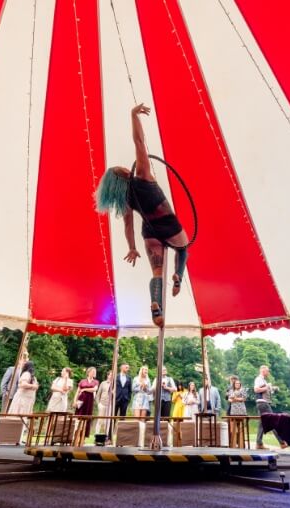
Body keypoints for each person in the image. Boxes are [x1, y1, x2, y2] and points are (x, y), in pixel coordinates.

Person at [95, 104, 189, 327]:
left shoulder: (126, 199)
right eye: (120, 168)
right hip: (169, 225)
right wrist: (133, 116)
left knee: (157, 271)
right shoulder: (143, 175)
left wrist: (132, 247)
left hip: (149, 233)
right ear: (124, 174)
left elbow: (128, 226)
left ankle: (156, 306)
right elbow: (139, 143)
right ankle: (178, 276)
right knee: (183, 248)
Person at [254, 365, 288, 450]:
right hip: (263, 403)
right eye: (267, 371)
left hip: (262, 403)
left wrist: (272, 388)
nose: (268, 372)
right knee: (273, 421)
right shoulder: (259, 379)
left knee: (262, 424)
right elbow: (256, 389)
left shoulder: (262, 380)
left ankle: (259, 443)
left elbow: (264, 389)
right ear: (263, 371)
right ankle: (282, 442)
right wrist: (267, 387)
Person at [73, 367, 99, 437]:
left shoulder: (95, 382)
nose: (94, 373)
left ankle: (83, 436)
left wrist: (84, 389)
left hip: (89, 401)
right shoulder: (82, 381)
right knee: (78, 416)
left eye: (95, 372)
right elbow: (77, 391)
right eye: (92, 371)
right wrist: (74, 401)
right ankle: (76, 434)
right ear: (88, 372)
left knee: (87, 417)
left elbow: (94, 389)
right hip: (81, 400)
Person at [228, 379, 248, 448]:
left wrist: (235, 399)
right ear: (234, 384)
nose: (237, 384)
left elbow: (244, 399)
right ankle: (234, 443)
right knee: (233, 427)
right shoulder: (231, 391)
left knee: (241, 427)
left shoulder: (242, 390)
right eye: (236, 383)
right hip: (233, 410)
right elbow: (229, 399)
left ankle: (242, 444)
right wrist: (233, 399)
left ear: (240, 384)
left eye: (239, 383)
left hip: (241, 410)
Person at [95, 371, 112, 435]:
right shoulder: (103, 383)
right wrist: (98, 404)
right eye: (110, 375)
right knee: (99, 420)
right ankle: (96, 435)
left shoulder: (114, 384)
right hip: (102, 404)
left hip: (109, 405)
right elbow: (98, 394)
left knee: (107, 421)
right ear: (108, 375)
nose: (111, 376)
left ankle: (106, 436)